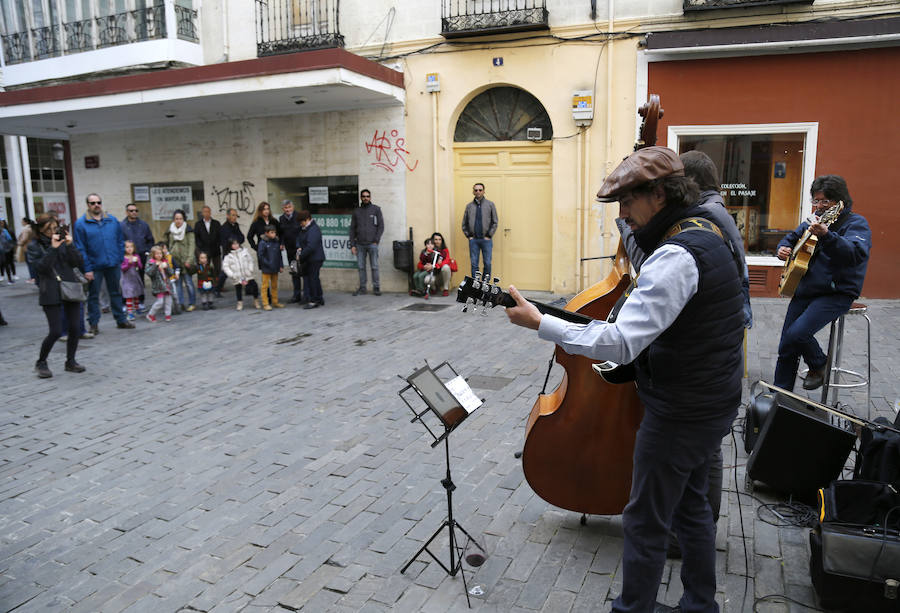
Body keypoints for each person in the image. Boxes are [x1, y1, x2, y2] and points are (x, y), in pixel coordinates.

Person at [505, 146, 744, 613]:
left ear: (657, 194)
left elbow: (619, 342)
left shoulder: (676, 255)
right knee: (691, 507)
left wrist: (542, 323)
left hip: (682, 409)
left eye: (626, 202)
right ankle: (700, 604)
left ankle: (633, 608)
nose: (622, 215)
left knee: (645, 519)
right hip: (712, 397)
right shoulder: (705, 228)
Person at [774, 174, 871, 391]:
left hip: (837, 292)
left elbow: (854, 255)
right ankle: (778, 398)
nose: (819, 206)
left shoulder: (856, 223)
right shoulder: (814, 220)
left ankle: (819, 363)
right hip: (807, 288)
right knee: (786, 346)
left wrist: (827, 236)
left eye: (825, 201)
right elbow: (790, 237)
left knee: (797, 334)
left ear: (840, 202)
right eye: (816, 201)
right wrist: (782, 248)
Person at [26, 214, 87, 377]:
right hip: (50, 291)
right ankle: (41, 362)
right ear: (41, 230)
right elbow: (41, 268)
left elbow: (78, 262)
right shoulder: (34, 246)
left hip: (70, 287)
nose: (53, 232)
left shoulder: (62, 243)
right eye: (49, 229)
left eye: (55, 228)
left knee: (74, 328)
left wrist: (69, 245)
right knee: (56, 331)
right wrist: (53, 248)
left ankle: (71, 361)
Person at [73, 193, 135, 332]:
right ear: (88, 205)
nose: (96, 205)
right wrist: (87, 269)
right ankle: (94, 324)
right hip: (94, 266)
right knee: (94, 296)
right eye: (93, 203)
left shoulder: (112, 220)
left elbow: (120, 241)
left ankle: (121, 320)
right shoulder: (81, 224)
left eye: (98, 202)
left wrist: (119, 258)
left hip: (113, 264)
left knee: (116, 293)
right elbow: (80, 248)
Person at [349, 189, 384, 296]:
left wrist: (376, 241)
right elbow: (352, 229)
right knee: (361, 266)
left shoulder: (376, 209)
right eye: (363, 196)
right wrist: (352, 245)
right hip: (359, 244)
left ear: (370, 197)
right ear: (361, 197)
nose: (366, 198)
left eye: (367, 196)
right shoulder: (356, 211)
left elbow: (381, 226)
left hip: (372, 244)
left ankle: (376, 287)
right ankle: (362, 288)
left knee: (374, 266)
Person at [461, 182, 498, 281]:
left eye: (480, 190)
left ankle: (485, 283)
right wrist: (469, 236)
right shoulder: (469, 206)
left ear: (484, 191)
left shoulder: (490, 205)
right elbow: (464, 223)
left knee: (487, 263)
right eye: (476, 190)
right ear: (473, 192)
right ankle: (475, 284)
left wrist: (489, 235)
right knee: (474, 263)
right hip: (474, 241)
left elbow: (495, 221)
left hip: (486, 240)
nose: (478, 192)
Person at [165, 209, 197, 312]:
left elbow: (192, 246)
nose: (178, 221)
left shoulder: (188, 230)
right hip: (175, 262)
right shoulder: (171, 231)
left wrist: (189, 259)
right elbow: (169, 246)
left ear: (184, 219)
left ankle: (192, 303)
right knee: (177, 283)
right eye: (176, 219)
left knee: (188, 283)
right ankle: (180, 303)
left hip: (186, 261)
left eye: (180, 218)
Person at [297, 210, 325, 309]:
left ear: (307, 219)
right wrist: (299, 247)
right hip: (310, 258)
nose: (300, 224)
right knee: (315, 278)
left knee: (312, 279)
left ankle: (314, 300)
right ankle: (319, 298)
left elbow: (311, 246)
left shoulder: (313, 229)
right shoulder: (305, 228)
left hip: (315, 258)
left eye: (302, 221)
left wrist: (300, 256)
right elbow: (299, 239)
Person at [222, 238, 260, 311]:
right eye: (233, 244)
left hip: (247, 273)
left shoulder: (244, 252)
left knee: (254, 286)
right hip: (237, 275)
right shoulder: (228, 255)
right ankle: (240, 302)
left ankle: (256, 300)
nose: (236, 245)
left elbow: (250, 261)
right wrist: (232, 274)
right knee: (238, 289)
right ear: (230, 245)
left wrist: (250, 269)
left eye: (237, 243)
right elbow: (226, 267)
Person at [216, 208, 244, 296]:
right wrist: (234, 241)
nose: (235, 217)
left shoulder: (236, 225)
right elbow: (226, 242)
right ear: (228, 216)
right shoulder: (224, 228)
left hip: (237, 252)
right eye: (233, 215)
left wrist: (235, 241)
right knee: (225, 272)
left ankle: (248, 288)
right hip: (228, 253)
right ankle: (217, 289)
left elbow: (241, 237)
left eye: (236, 215)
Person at [257, 224, 285, 310]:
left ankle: (275, 302)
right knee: (265, 286)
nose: (274, 234)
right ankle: (265, 303)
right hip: (266, 268)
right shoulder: (262, 243)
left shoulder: (276, 242)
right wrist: (268, 263)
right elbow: (260, 256)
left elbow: (279, 255)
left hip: (275, 268)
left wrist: (281, 265)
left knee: (274, 286)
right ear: (267, 233)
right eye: (272, 232)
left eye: (275, 232)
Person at [144, 245, 173, 323]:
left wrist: (167, 267)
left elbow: (171, 273)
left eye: (160, 253)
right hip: (158, 286)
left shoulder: (165, 261)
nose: (159, 255)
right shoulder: (151, 263)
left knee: (168, 301)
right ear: (153, 255)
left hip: (167, 285)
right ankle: (150, 314)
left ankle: (168, 315)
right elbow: (149, 272)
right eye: (156, 254)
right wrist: (155, 266)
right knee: (160, 302)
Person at [120, 240, 144, 321]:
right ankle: (130, 312)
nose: (129, 249)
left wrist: (137, 262)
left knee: (136, 293)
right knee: (129, 295)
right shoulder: (123, 257)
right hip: (127, 279)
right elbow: (122, 268)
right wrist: (129, 263)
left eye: (131, 247)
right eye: (127, 247)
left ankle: (137, 308)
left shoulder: (136, 256)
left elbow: (141, 267)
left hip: (135, 277)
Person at [194, 205, 221, 273]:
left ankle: (217, 282)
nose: (206, 213)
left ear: (210, 213)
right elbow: (196, 237)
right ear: (202, 213)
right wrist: (201, 248)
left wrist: (217, 244)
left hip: (215, 250)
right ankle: (206, 282)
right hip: (204, 250)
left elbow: (220, 235)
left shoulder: (216, 223)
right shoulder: (198, 224)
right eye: (205, 212)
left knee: (217, 269)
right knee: (205, 269)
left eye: (208, 212)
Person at [431, 232, 452, 296]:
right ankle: (433, 288)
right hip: (433, 273)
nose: (438, 241)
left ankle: (445, 289)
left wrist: (438, 265)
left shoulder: (445, 250)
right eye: (436, 239)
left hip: (442, 274)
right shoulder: (430, 249)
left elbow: (447, 260)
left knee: (446, 267)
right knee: (427, 280)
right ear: (433, 240)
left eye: (439, 239)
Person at [16, 218, 35, 284]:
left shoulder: (25, 229)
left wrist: (19, 243)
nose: (21, 222)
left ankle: (32, 277)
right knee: (32, 263)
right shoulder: (32, 228)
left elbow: (24, 239)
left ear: (25, 222)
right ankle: (34, 277)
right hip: (32, 247)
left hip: (26, 247)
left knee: (30, 263)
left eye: (22, 221)